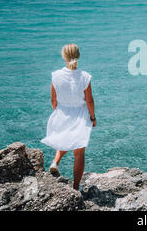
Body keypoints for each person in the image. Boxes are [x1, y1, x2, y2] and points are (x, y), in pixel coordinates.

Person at [41, 43, 96, 190]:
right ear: (78, 56)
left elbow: (53, 100)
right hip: (80, 115)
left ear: (63, 56)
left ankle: (55, 162)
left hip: (63, 112)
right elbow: (89, 100)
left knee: (65, 139)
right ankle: (76, 187)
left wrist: (58, 113)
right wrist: (93, 117)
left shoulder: (56, 76)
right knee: (79, 152)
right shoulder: (85, 77)